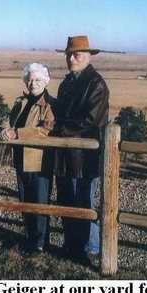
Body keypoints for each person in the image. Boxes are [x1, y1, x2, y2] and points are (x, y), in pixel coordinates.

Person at [52, 35, 109, 264]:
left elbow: (90, 120)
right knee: (67, 199)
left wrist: (58, 130)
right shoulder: (67, 83)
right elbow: (58, 112)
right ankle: (72, 245)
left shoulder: (96, 84)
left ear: (88, 57)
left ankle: (91, 249)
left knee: (84, 202)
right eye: (69, 54)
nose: (71, 59)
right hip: (65, 154)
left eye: (77, 55)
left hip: (85, 156)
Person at [0, 63, 55, 254]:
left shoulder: (50, 104)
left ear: (46, 81)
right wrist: (3, 129)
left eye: (38, 80)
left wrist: (17, 134)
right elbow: (7, 120)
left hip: (39, 161)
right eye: (29, 79)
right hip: (20, 159)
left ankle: (39, 245)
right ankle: (29, 239)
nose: (33, 83)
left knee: (39, 203)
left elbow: (47, 129)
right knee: (25, 201)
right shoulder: (20, 101)